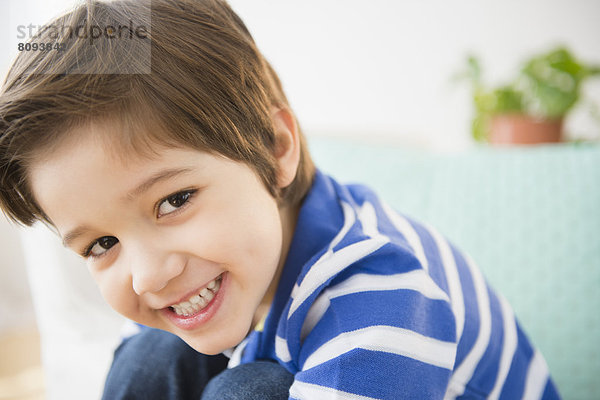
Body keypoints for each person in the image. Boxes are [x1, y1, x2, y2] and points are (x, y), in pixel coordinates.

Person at [0, 0, 560, 398]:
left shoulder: (382, 301)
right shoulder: (197, 279)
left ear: (275, 149)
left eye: (174, 201)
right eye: (103, 243)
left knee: (253, 390)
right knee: (157, 348)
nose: (148, 276)